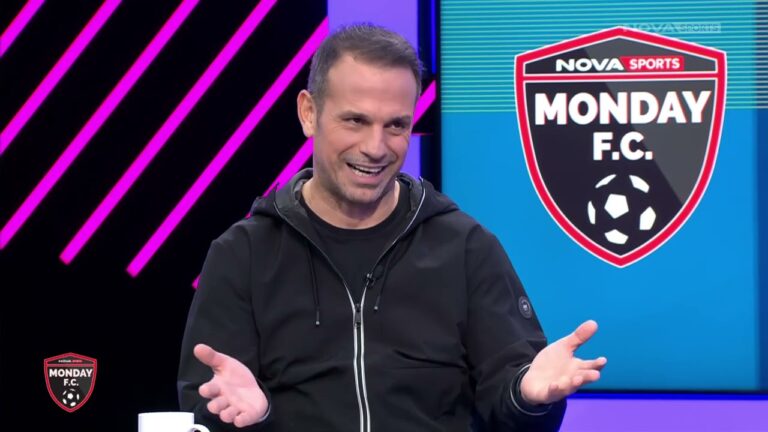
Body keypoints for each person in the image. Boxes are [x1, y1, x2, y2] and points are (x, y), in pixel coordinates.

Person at [177, 24, 606, 432]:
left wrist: (528, 397)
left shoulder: (465, 248)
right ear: (309, 113)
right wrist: (251, 418)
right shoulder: (243, 255)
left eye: (396, 125)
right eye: (355, 121)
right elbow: (205, 408)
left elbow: (513, 408)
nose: (375, 147)